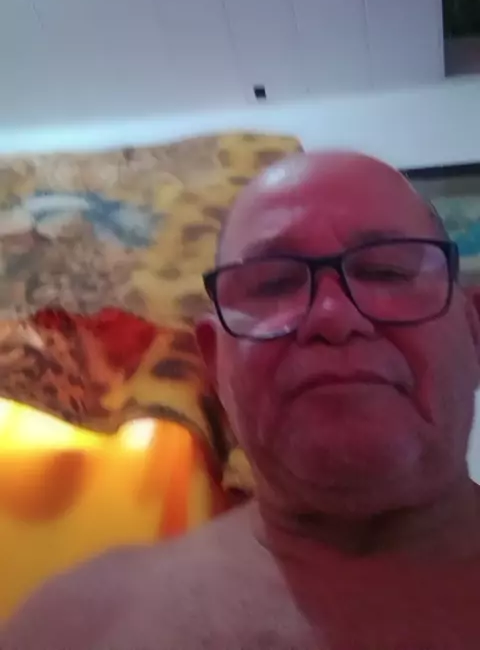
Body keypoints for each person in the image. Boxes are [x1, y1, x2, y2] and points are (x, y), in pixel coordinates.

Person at [3, 149, 480, 650]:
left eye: (387, 272)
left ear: (473, 330)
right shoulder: (74, 626)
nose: (333, 315)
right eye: (273, 284)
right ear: (214, 363)